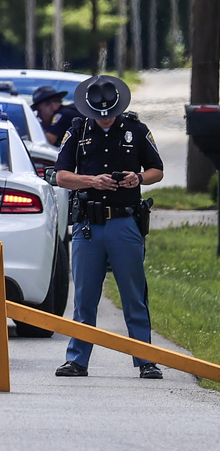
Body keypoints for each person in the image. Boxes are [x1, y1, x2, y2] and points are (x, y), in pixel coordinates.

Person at [53, 75, 164, 379]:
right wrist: (91, 181)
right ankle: (77, 359)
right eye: (99, 115)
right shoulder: (77, 131)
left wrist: (137, 178)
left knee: (134, 294)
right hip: (89, 225)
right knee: (85, 297)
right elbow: (61, 176)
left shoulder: (136, 130)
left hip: (124, 222)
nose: (105, 120)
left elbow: (157, 170)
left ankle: (146, 359)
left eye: (109, 114)